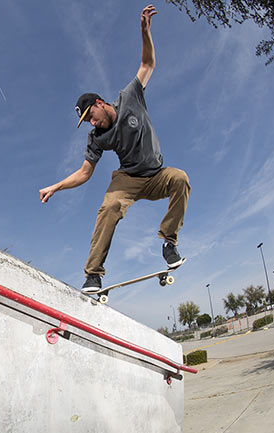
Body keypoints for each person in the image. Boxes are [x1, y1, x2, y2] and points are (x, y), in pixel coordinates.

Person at [39, 4, 190, 294]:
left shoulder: (130, 97)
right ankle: (93, 275)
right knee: (108, 206)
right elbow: (85, 173)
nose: (91, 124)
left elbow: (147, 65)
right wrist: (56, 187)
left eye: (90, 117)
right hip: (128, 180)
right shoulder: (97, 138)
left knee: (181, 178)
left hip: (157, 174)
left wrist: (145, 32)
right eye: (87, 122)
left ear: (99, 104)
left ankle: (169, 242)